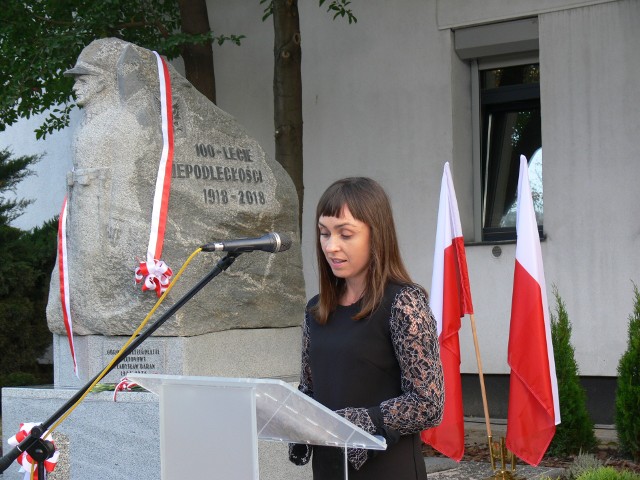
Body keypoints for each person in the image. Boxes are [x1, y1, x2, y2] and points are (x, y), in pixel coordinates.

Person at [289, 177, 444, 479]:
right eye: (324, 233)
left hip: (387, 470)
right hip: (330, 469)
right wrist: (294, 420)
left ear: (376, 236)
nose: (330, 246)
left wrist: (357, 421)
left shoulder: (404, 303)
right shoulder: (316, 309)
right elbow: (310, 389)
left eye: (345, 234)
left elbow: (428, 403)